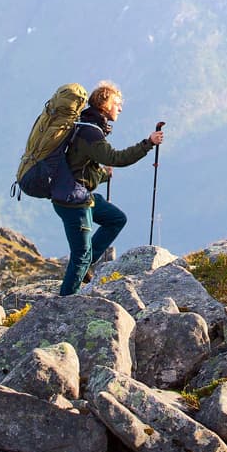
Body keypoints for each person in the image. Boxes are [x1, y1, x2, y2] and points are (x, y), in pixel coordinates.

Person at [52, 81, 163, 295]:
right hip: (73, 203)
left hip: (77, 195)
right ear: (104, 103)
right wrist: (148, 143)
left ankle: (83, 268)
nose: (120, 108)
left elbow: (79, 168)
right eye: (117, 103)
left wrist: (103, 174)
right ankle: (64, 303)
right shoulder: (91, 133)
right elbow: (117, 158)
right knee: (81, 255)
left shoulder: (85, 126)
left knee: (115, 218)